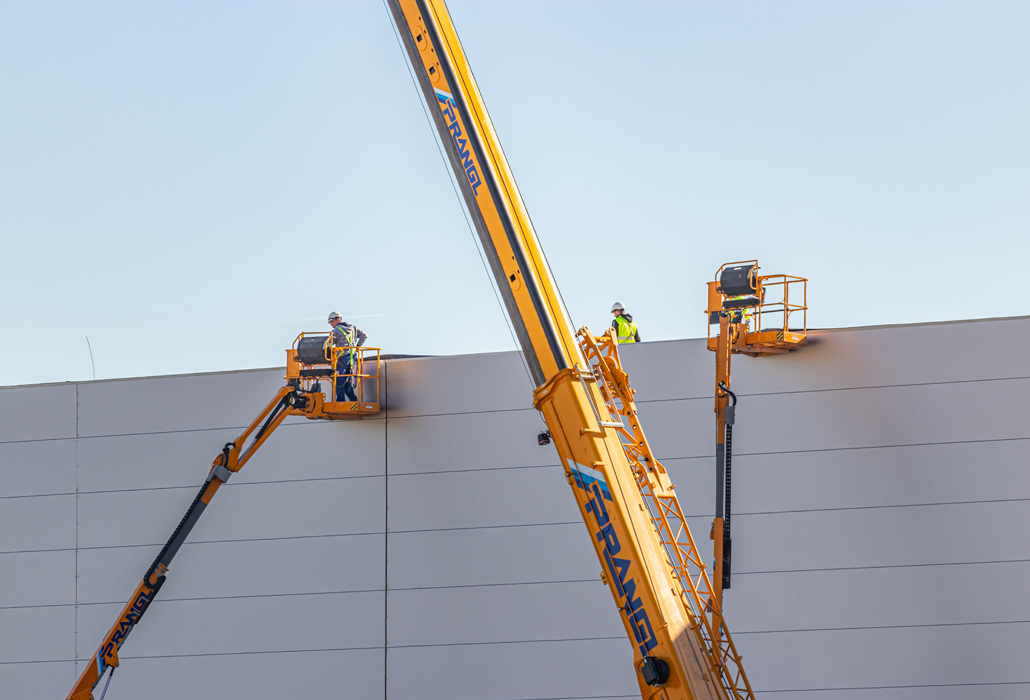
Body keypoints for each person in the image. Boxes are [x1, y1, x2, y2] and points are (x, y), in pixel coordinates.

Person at [327, 311, 368, 401]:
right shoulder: (353, 328)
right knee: (348, 379)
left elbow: (328, 344)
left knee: (339, 380)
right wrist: (357, 347)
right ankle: (353, 400)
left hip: (343, 358)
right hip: (353, 358)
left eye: (332, 322)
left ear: (337, 320)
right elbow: (364, 336)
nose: (331, 324)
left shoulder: (335, 331)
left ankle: (340, 401)